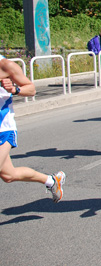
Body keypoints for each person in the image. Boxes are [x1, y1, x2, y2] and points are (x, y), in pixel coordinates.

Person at [0, 55, 66, 202]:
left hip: (3, 129)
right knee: (8, 175)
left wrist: (14, 89)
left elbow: (31, 89)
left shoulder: (6, 65)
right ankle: (51, 181)